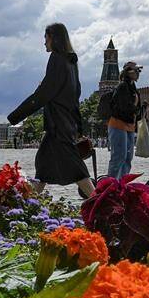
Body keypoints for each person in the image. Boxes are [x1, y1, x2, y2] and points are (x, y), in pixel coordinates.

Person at [7, 23, 95, 199]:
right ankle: (29, 205)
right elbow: (75, 95)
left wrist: (15, 116)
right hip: (64, 124)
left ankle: (100, 203)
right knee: (43, 168)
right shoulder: (71, 62)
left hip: (58, 126)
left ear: (53, 38)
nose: (44, 43)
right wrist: (78, 127)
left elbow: (44, 94)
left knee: (78, 171)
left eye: (45, 38)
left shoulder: (57, 58)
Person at [106, 62, 141, 179]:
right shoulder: (122, 87)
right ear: (128, 72)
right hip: (118, 124)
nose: (137, 73)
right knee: (119, 157)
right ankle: (109, 186)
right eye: (135, 70)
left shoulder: (133, 89)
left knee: (127, 158)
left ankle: (121, 184)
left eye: (138, 71)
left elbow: (135, 109)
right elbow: (124, 106)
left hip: (129, 126)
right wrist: (135, 109)